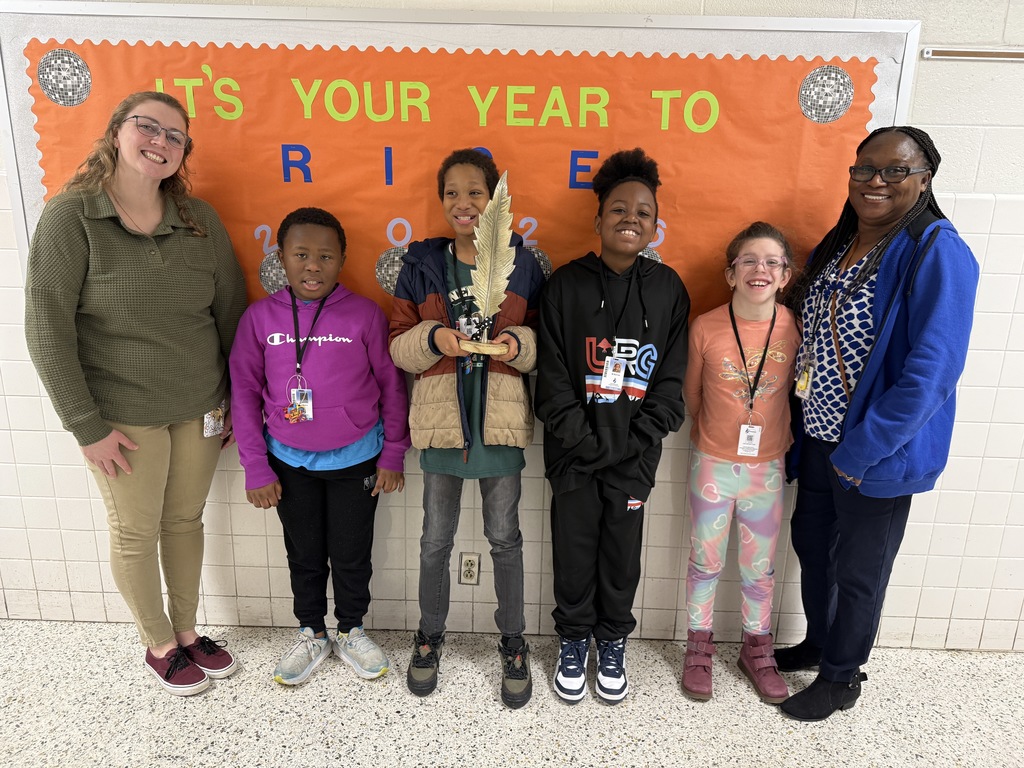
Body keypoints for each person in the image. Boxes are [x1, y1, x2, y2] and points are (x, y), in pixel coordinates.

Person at [24, 91, 247, 696]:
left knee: (184, 521)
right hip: (121, 417)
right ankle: (158, 642)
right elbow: (45, 327)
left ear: (184, 153)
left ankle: (187, 629)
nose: (161, 141)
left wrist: (235, 402)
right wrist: (84, 424)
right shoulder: (71, 218)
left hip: (201, 405)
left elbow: (231, 315)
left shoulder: (199, 220)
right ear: (117, 132)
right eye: (148, 127)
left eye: (175, 135)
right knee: (135, 530)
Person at [778, 126, 979, 721]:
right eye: (865, 169)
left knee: (860, 572)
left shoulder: (938, 250)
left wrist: (860, 450)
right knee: (814, 549)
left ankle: (842, 677)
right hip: (816, 438)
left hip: (873, 454)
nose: (877, 181)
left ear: (925, 178)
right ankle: (820, 643)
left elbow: (933, 372)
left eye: (896, 170)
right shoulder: (837, 245)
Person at [389, 148, 545, 709]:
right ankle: (430, 634)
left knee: (505, 539)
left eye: (475, 192)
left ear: (495, 199)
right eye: (452, 193)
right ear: (441, 200)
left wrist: (515, 345)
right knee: (435, 540)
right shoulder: (422, 265)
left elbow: (539, 346)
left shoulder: (523, 265)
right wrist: (434, 338)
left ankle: (513, 641)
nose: (463, 203)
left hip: (499, 425)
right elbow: (399, 345)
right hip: (441, 426)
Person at [230, 207, 410, 685]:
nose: (313, 266)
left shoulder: (366, 314)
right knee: (304, 554)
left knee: (353, 553)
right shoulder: (258, 318)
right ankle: (312, 631)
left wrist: (393, 453)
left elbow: (393, 388)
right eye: (302, 255)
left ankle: (351, 629)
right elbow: (244, 393)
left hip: (358, 459)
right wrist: (256, 468)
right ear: (282, 259)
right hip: (287, 462)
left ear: (342, 260)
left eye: (326, 256)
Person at [535, 148, 689, 705]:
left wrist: (626, 446)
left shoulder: (669, 289)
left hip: (633, 461)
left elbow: (671, 386)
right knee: (574, 551)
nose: (631, 218)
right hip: (574, 459)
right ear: (597, 219)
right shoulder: (564, 287)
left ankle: (612, 640)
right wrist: (589, 443)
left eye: (644, 212)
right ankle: (574, 640)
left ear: (655, 225)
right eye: (619, 208)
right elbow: (551, 384)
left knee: (623, 555)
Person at [680, 222, 800, 704]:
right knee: (704, 561)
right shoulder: (705, 326)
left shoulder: (794, 326)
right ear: (731, 274)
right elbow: (692, 393)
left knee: (760, 568)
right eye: (749, 260)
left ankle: (757, 648)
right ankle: (698, 647)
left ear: (786, 275)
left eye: (772, 262)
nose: (760, 269)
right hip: (712, 462)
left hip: (767, 466)